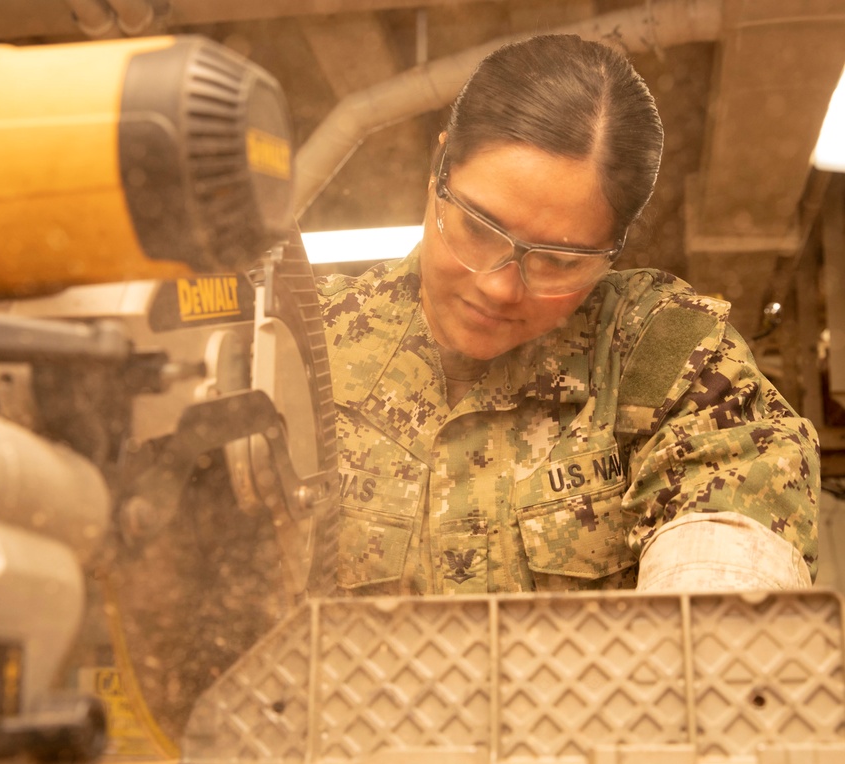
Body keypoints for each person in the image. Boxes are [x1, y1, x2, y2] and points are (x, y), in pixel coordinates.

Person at [317, 33, 819, 595]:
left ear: (613, 250)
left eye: (558, 261)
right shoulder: (306, 340)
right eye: (480, 230)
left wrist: (707, 620)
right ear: (439, 170)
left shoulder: (661, 349)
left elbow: (733, 520)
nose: (500, 288)